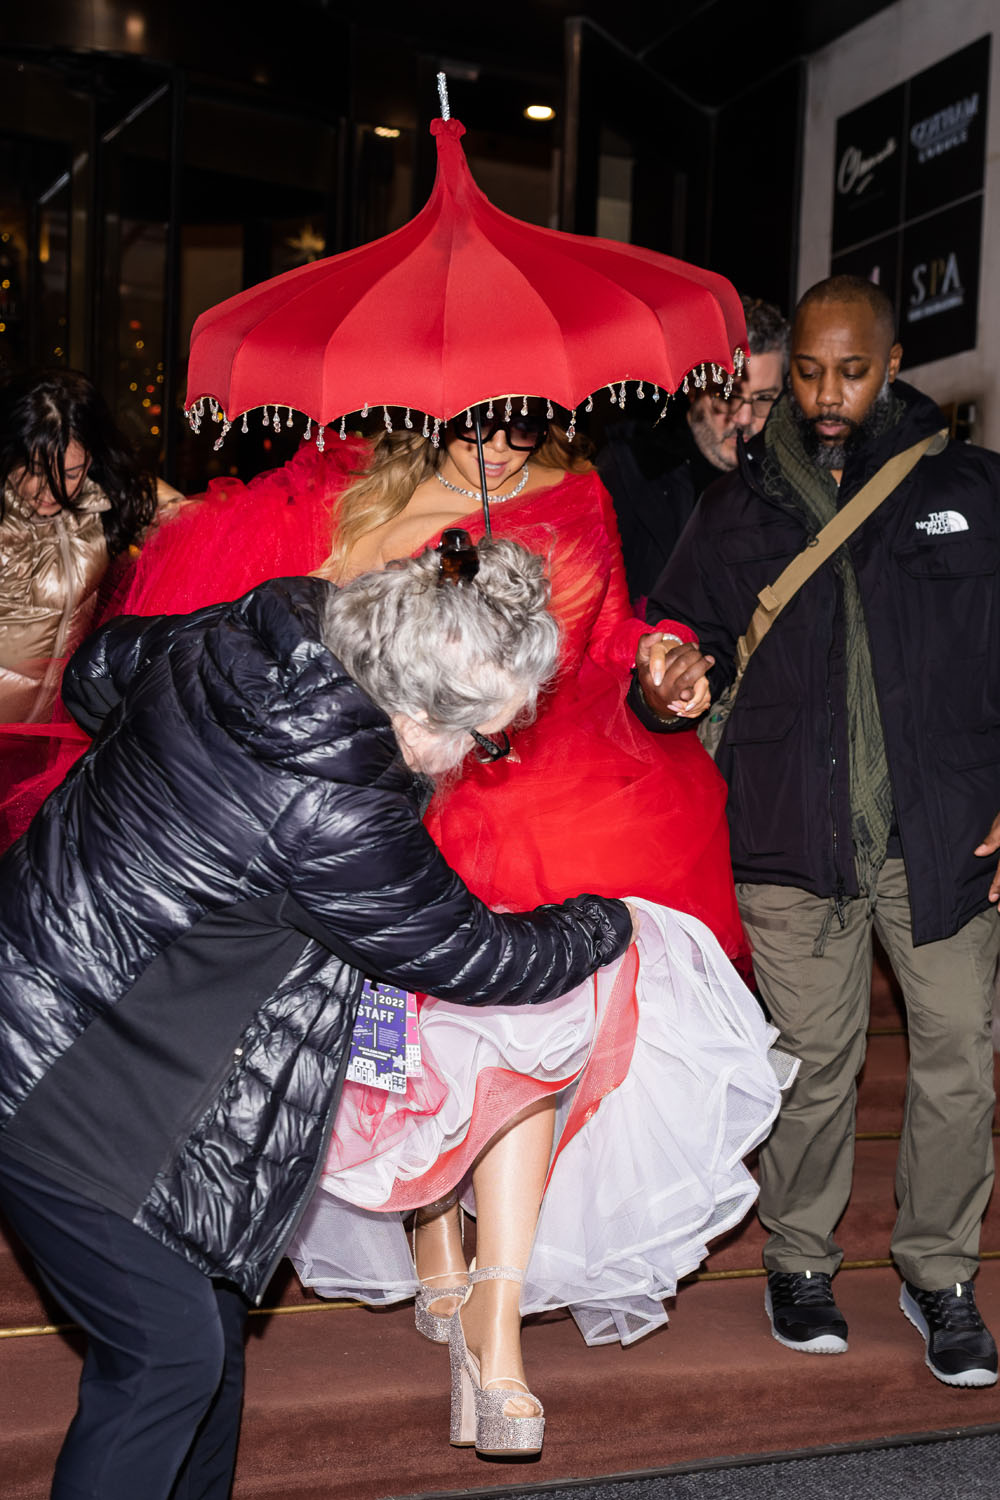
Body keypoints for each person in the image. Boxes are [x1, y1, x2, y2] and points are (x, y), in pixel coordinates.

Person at [119, 404, 793, 1457]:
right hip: (401, 799)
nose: (501, 446)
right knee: (425, 1034)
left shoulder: (579, 494)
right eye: (482, 425)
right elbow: (309, 643)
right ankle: (435, 1232)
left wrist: (658, 668)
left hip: (546, 785)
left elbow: (608, 636)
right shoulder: (357, 500)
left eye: (526, 425)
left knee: (533, 1022)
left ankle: (495, 1312)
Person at [0, 534, 637, 1500]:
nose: (476, 761)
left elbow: (96, 672)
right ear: (414, 715)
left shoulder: (251, 635)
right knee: (170, 1352)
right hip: (62, 1076)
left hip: (77, 1000)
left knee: (210, 1338)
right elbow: (475, 954)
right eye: (485, 739)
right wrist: (609, 921)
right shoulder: (340, 809)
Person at [648, 273, 1000, 1389]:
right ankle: (798, 1258)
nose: (827, 393)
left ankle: (940, 1273)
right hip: (792, 830)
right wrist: (667, 677)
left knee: (960, 1055)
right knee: (810, 1063)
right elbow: (679, 637)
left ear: (892, 365)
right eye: (806, 372)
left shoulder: (970, 488)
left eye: (850, 371)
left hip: (943, 830)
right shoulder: (737, 505)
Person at [0, 368, 181, 841]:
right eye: (33, 470)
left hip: (50, 743)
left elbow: (202, 524)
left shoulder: (112, 500)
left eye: (70, 472)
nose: (49, 491)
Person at [598, 295, 788, 608]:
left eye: (764, 399)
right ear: (694, 387)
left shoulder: (788, 483)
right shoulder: (628, 470)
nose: (743, 418)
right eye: (727, 395)